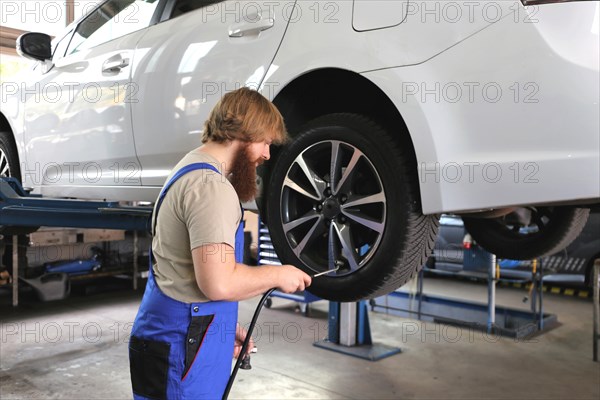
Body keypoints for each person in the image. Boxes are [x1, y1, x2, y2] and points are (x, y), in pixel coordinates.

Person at [129, 87, 312, 400]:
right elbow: (219, 282)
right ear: (244, 132)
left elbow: (191, 274)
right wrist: (279, 275)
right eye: (265, 141)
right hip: (178, 344)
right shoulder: (210, 187)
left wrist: (221, 332)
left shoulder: (189, 168)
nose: (267, 154)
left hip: (177, 335)